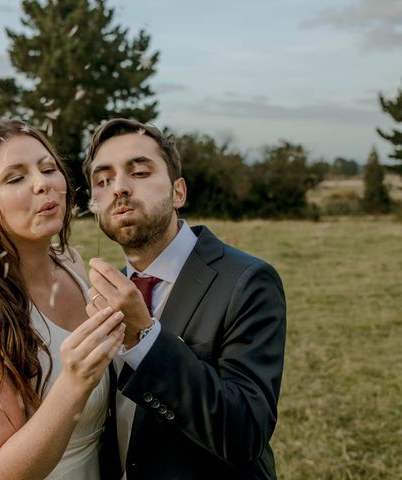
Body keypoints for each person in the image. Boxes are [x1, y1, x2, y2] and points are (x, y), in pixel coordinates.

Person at [81, 118, 287, 479]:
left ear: (179, 192)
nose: (119, 188)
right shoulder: (102, 292)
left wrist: (144, 336)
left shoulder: (248, 281)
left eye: (140, 172)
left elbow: (245, 434)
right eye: (103, 180)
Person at [0, 120, 125, 480]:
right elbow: (7, 471)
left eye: (48, 168)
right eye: (15, 178)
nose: (43, 184)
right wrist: (73, 382)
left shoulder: (74, 265)